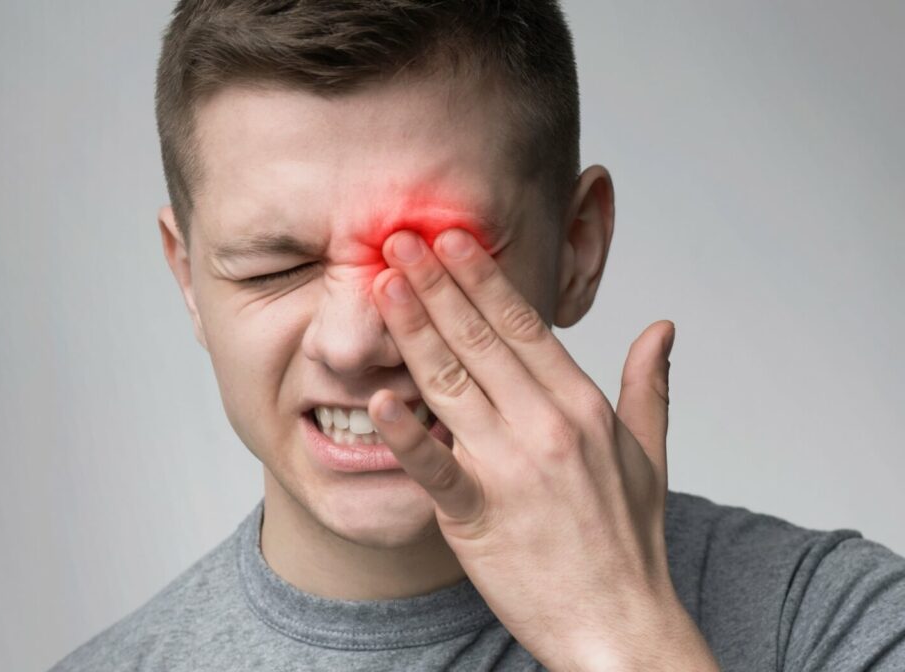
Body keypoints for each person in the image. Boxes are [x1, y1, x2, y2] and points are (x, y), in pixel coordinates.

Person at [50, 1, 905, 670]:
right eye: (275, 268)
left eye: (432, 259)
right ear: (188, 280)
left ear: (576, 249)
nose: (353, 343)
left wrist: (624, 638)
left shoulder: (832, 621)